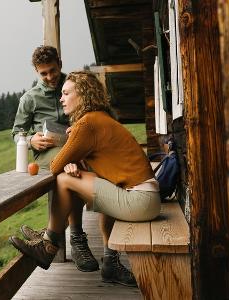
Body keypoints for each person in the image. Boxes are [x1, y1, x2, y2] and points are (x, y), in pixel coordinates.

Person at [10, 71, 161, 287]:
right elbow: (100, 165)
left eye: (66, 93)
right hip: (146, 199)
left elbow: (54, 166)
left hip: (139, 202)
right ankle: (110, 263)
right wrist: (76, 160)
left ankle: (48, 244)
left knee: (63, 180)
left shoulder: (87, 124)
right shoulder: (100, 118)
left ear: (82, 94)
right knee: (77, 176)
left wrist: (72, 146)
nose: (61, 98)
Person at [12, 46, 98, 272]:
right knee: (69, 167)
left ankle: (49, 236)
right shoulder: (29, 99)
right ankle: (77, 238)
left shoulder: (72, 87)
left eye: (53, 70)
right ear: (36, 72)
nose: (50, 77)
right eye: (44, 73)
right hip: (47, 154)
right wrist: (31, 140)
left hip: (77, 149)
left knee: (74, 165)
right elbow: (16, 133)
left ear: (60, 63)